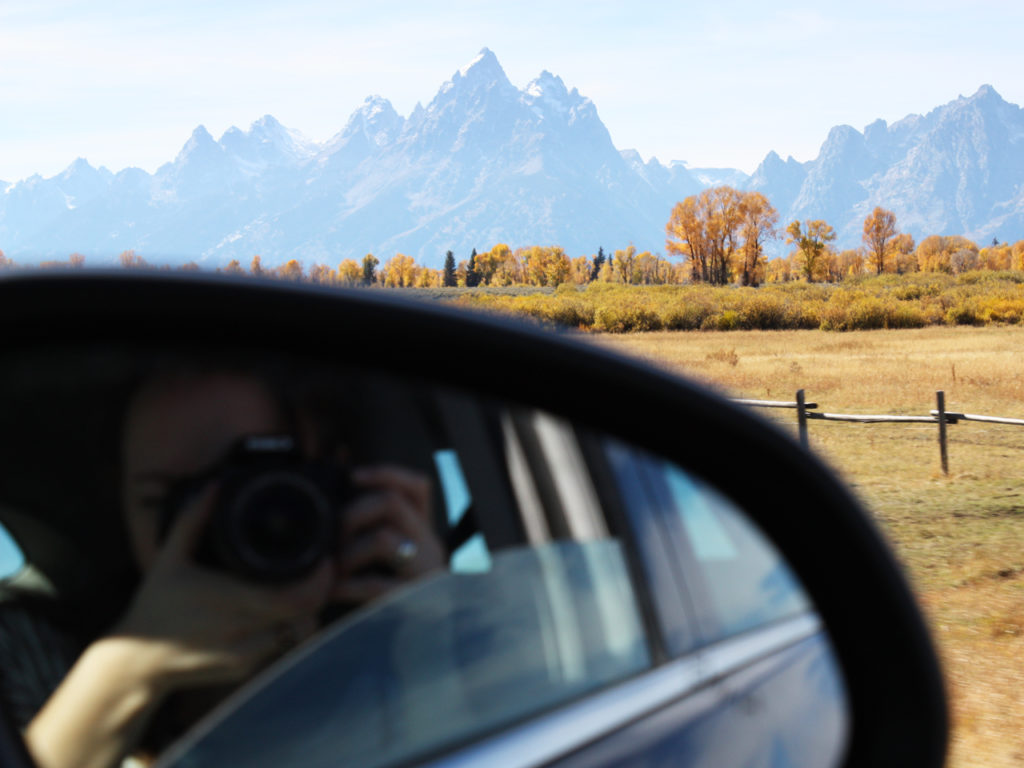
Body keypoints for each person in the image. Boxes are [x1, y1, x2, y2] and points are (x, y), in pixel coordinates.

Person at [20, 363, 444, 768]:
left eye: (251, 484)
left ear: (335, 482)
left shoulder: (402, 643)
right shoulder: (36, 655)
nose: (216, 521)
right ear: (122, 513)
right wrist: (129, 669)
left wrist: (437, 639)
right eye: (165, 500)